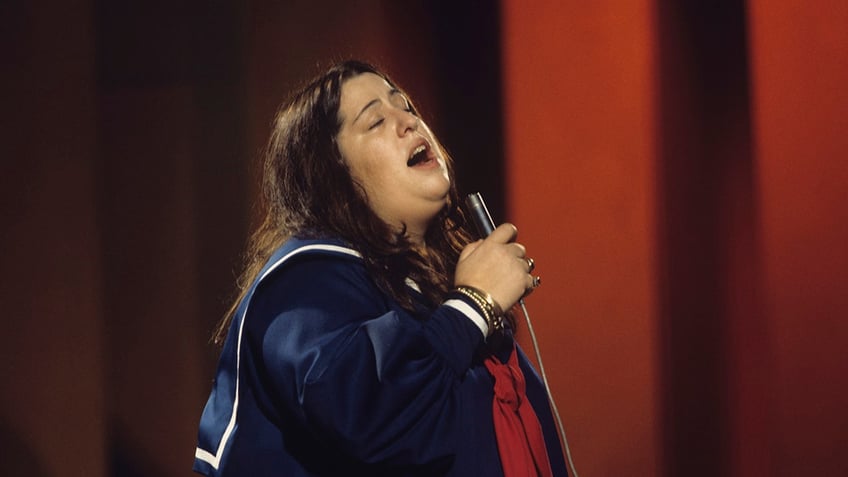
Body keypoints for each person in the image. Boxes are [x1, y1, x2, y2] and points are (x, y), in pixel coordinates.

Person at [193, 60, 568, 476]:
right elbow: (373, 417)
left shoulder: (432, 298)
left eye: (406, 105)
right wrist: (474, 304)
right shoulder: (303, 281)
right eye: (375, 121)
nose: (408, 121)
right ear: (332, 174)